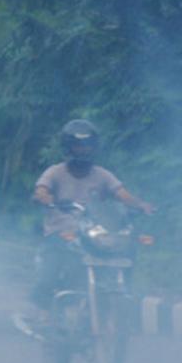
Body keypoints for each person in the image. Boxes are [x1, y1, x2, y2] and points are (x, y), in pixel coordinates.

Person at [30, 119, 154, 315]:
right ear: (68, 147)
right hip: (62, 233)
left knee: (128, 247)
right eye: (78, 146)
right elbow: (41, 191)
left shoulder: (103, 175)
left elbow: (122, 194)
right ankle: (46, 310)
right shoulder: (55, 172)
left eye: (88, 146)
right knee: (49, 276)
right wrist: (45, 198)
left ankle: (124, 292)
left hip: (93, 233)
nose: (83, 150)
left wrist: (141, 205)